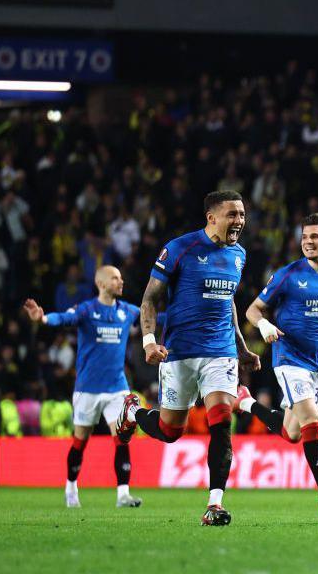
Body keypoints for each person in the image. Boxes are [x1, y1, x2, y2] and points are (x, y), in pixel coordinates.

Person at [115, 189, 260, 526]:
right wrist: (150, 342)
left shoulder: (239, 254)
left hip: (220, 353)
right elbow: (150, 299)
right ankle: (134, 412)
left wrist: (240, 348)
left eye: (241, 214)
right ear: (211, 217)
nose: (239, 220)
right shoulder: (180, 248)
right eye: (232, 214)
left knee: (222, 420)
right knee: (169, 431)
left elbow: (229, 303)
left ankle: (215, 504)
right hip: (180, 351)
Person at [236, 212, 318, 518]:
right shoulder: (288, 275)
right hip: (288, 359)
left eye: (314, 237)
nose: (307, 241)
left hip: (317, 365)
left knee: (293, 433)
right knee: (313, 420)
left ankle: (247, 403)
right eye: (304, 236)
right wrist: (265, 326)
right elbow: (252, 310)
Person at [23, 265, 143, 509]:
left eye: (121, 277)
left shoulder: (128, 311)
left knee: (122, 437)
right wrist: (44, 318)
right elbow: (65, 318)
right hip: (87, 388)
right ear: (101, 284)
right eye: (115, 278)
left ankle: (123, 495)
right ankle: (71, 487)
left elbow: (153, 316)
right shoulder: (87, 310)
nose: (121, 282)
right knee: (80, 441)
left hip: (116, 388)